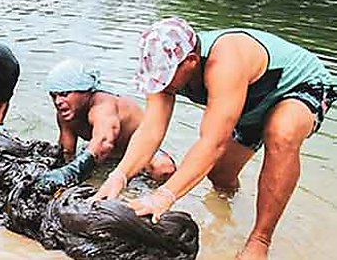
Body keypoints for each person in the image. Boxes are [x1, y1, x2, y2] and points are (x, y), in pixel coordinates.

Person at [92, 17, 336, 260]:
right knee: (219, 176)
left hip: (296, 86)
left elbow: (212, 142)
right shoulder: (166, 70)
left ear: (191, 61)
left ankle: (260, 239)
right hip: (247, 103)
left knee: (281, 133)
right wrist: (120, 176)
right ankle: (228, 214)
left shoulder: (225, 61)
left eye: (165, 77)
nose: (160, 84)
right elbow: (151, 130)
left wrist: (163, 196)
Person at [36, 59, 176, 192]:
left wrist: (71, 172)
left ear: (85, 91)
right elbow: (67, 152)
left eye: (64, 94)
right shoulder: (66, 114)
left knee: (164, 169)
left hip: (137, 152)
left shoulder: (103, 105)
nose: (58, 101)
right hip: (103, 155)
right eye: (53, 96)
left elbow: (104, 142)